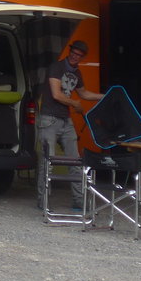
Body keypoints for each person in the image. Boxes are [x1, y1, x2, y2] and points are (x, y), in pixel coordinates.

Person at [38, 40, 104, 210]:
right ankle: (43, 201)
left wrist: (104, 96)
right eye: (73, 53)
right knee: (48, 161)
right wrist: (75, 104)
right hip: (49, 119)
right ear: (70, 52)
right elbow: (56, 94)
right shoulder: (56, 67)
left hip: (66, 120)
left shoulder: (78, 73)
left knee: (75, 161)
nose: (75, 56)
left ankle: (78, 201)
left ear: (82, 57)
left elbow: (84, 93)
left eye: (79, 55)